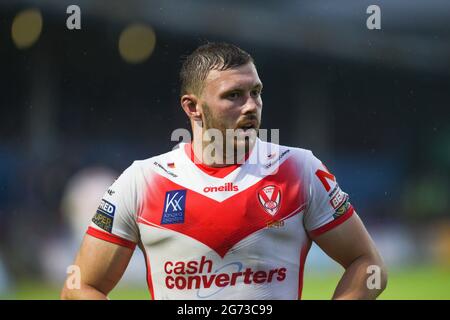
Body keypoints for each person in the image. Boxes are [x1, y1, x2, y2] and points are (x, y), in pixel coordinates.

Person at [61, 42, 387, 300]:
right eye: (233, 96)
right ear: (192, 107)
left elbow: (368, 265)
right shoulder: (142, 180)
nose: (250, 106)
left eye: (256, 93)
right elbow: (79, 286)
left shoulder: (299, 170)